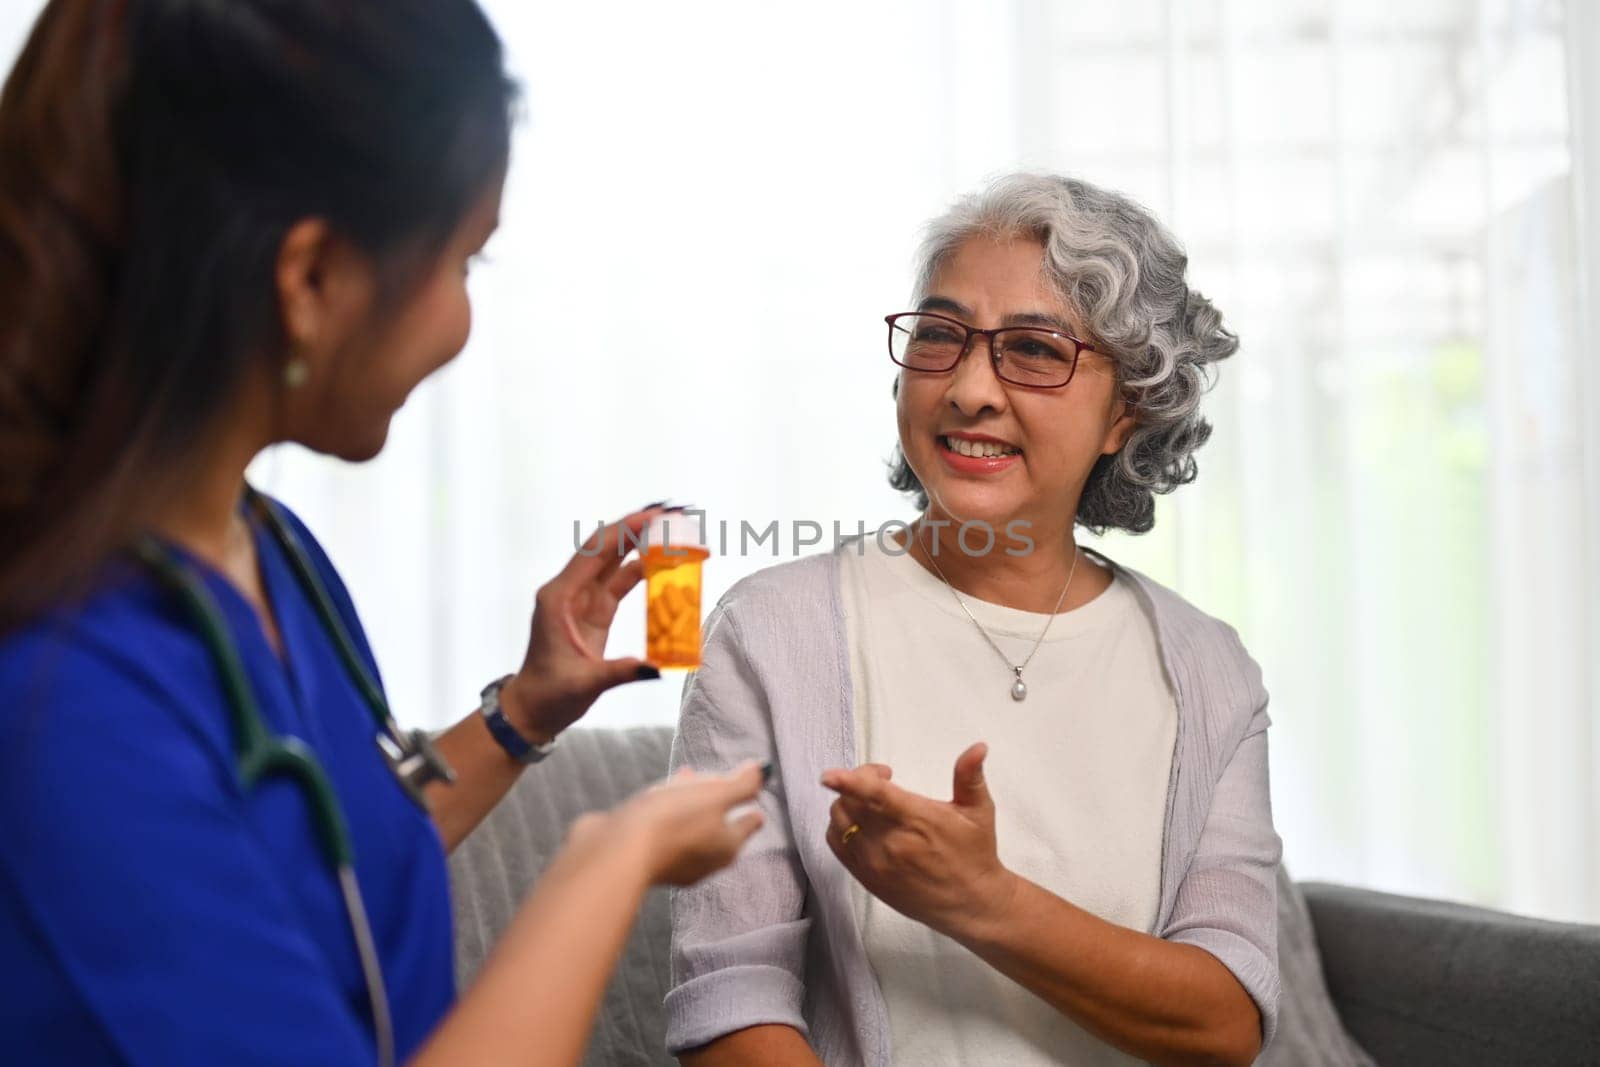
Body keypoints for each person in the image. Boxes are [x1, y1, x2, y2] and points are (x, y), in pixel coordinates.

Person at [0, 3, 762, 1064]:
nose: (460, 321)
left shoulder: (272, 551)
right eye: (464, 263)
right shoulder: (63, 700)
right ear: (311, 280)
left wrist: (520, 714)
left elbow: (331, 868)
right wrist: (609, 858)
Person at [666, 174, 1281, 1066]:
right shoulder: (768, 634)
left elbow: (1224, 1023)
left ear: (1129, 411)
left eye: (1033, 349)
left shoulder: (1210, 671)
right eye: (941, 336)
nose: (969, 388)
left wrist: (979, 898)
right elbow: (728, 1001)